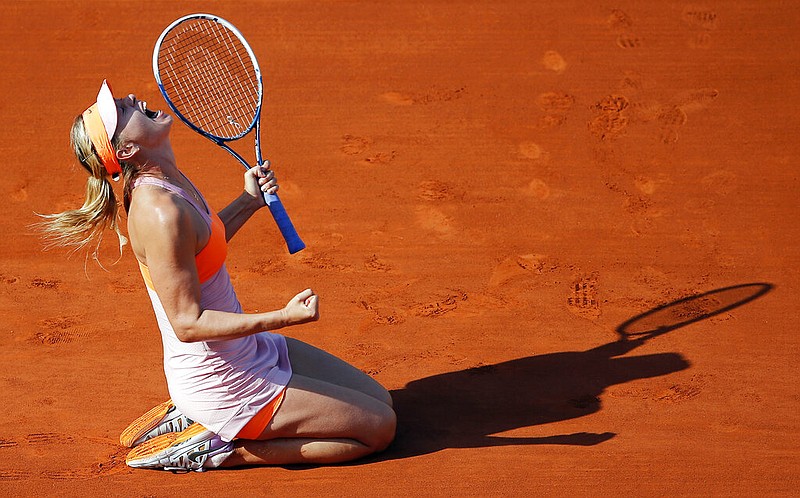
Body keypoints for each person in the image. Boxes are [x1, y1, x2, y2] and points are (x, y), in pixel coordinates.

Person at [39, 80, 396, 471]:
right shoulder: (160, 212)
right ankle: (222, 448)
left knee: (383, 399)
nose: (131, 100)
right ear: (125, 149)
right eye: (121, 111)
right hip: (224, 382)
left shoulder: (168, 181)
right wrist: (284, 317)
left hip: (247, 351)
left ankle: (197, 419)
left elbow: (200, 246)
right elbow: (188, 324)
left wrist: (248, 202)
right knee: (378, 429)